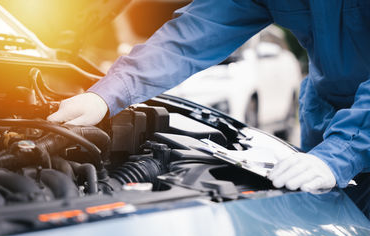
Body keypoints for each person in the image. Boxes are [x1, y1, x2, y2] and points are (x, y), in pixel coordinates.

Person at [48, 0, 370, 213]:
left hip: (347, 141)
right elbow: (191, 35)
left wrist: (341, 153)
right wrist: (106, 95)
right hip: (328, 129)